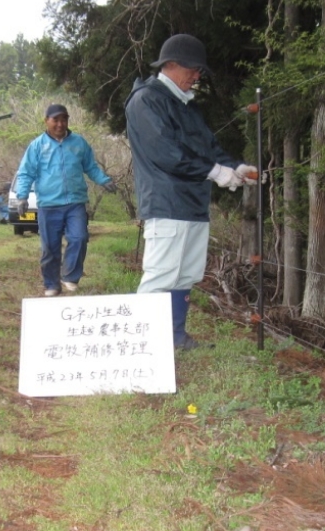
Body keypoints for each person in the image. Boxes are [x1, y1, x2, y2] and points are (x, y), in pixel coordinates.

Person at [124, 34, 258, 350]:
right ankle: (141, 348)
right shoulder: (146, 100)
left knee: (185, 275)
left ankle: (174, 337)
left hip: (194, 204)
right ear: (170, 64)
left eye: (199, 71)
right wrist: (215, 172)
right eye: (193, 69)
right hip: (166, 202)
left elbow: (209, 149)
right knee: (160, 277)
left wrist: (236, 168)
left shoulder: (186, 106)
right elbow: (165, 152)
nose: (197, 76)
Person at [14, 104, 116, 297]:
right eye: (55, 120)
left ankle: (70, 276)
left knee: (79, 237)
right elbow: (26, 173)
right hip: (49, 205)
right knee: (50, 248)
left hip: (75, 203)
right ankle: (51, 284)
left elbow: (91, 167)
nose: (60, 124)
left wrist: (105, 180)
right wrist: (22, 197)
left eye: (64, 119)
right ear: (47, 121)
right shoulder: (37, 146)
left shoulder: (79, 143)